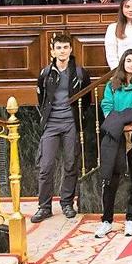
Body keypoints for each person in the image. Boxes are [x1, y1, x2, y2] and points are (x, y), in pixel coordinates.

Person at [32, 32, 91, 223]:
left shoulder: (80, 73)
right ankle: (44, 206)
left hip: (70, 124)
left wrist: (79, 118)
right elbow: (41, 99)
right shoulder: (45, 73)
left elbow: (87, 100)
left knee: (70, 164)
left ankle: (67, 203)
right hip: (51, 124)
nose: (62, 51)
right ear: (53, 51)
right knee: (45, 166)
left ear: (71, 50)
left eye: (65, 47)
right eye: (59, 47)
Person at [95, 49, 132, 238]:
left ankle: (131, 219)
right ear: (123, 62)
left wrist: (125, 126)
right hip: (115, 136)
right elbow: (107, 109)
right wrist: (120, 123)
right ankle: (106, 221)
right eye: (129, 61)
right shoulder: (112, 85)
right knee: (110, 180)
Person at [104, 0, 132, 69]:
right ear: (122, 8)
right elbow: (111, 54)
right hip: (120, 70)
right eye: (127, 7)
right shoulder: (113, 28)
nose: (130, 10)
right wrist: (117, 71)